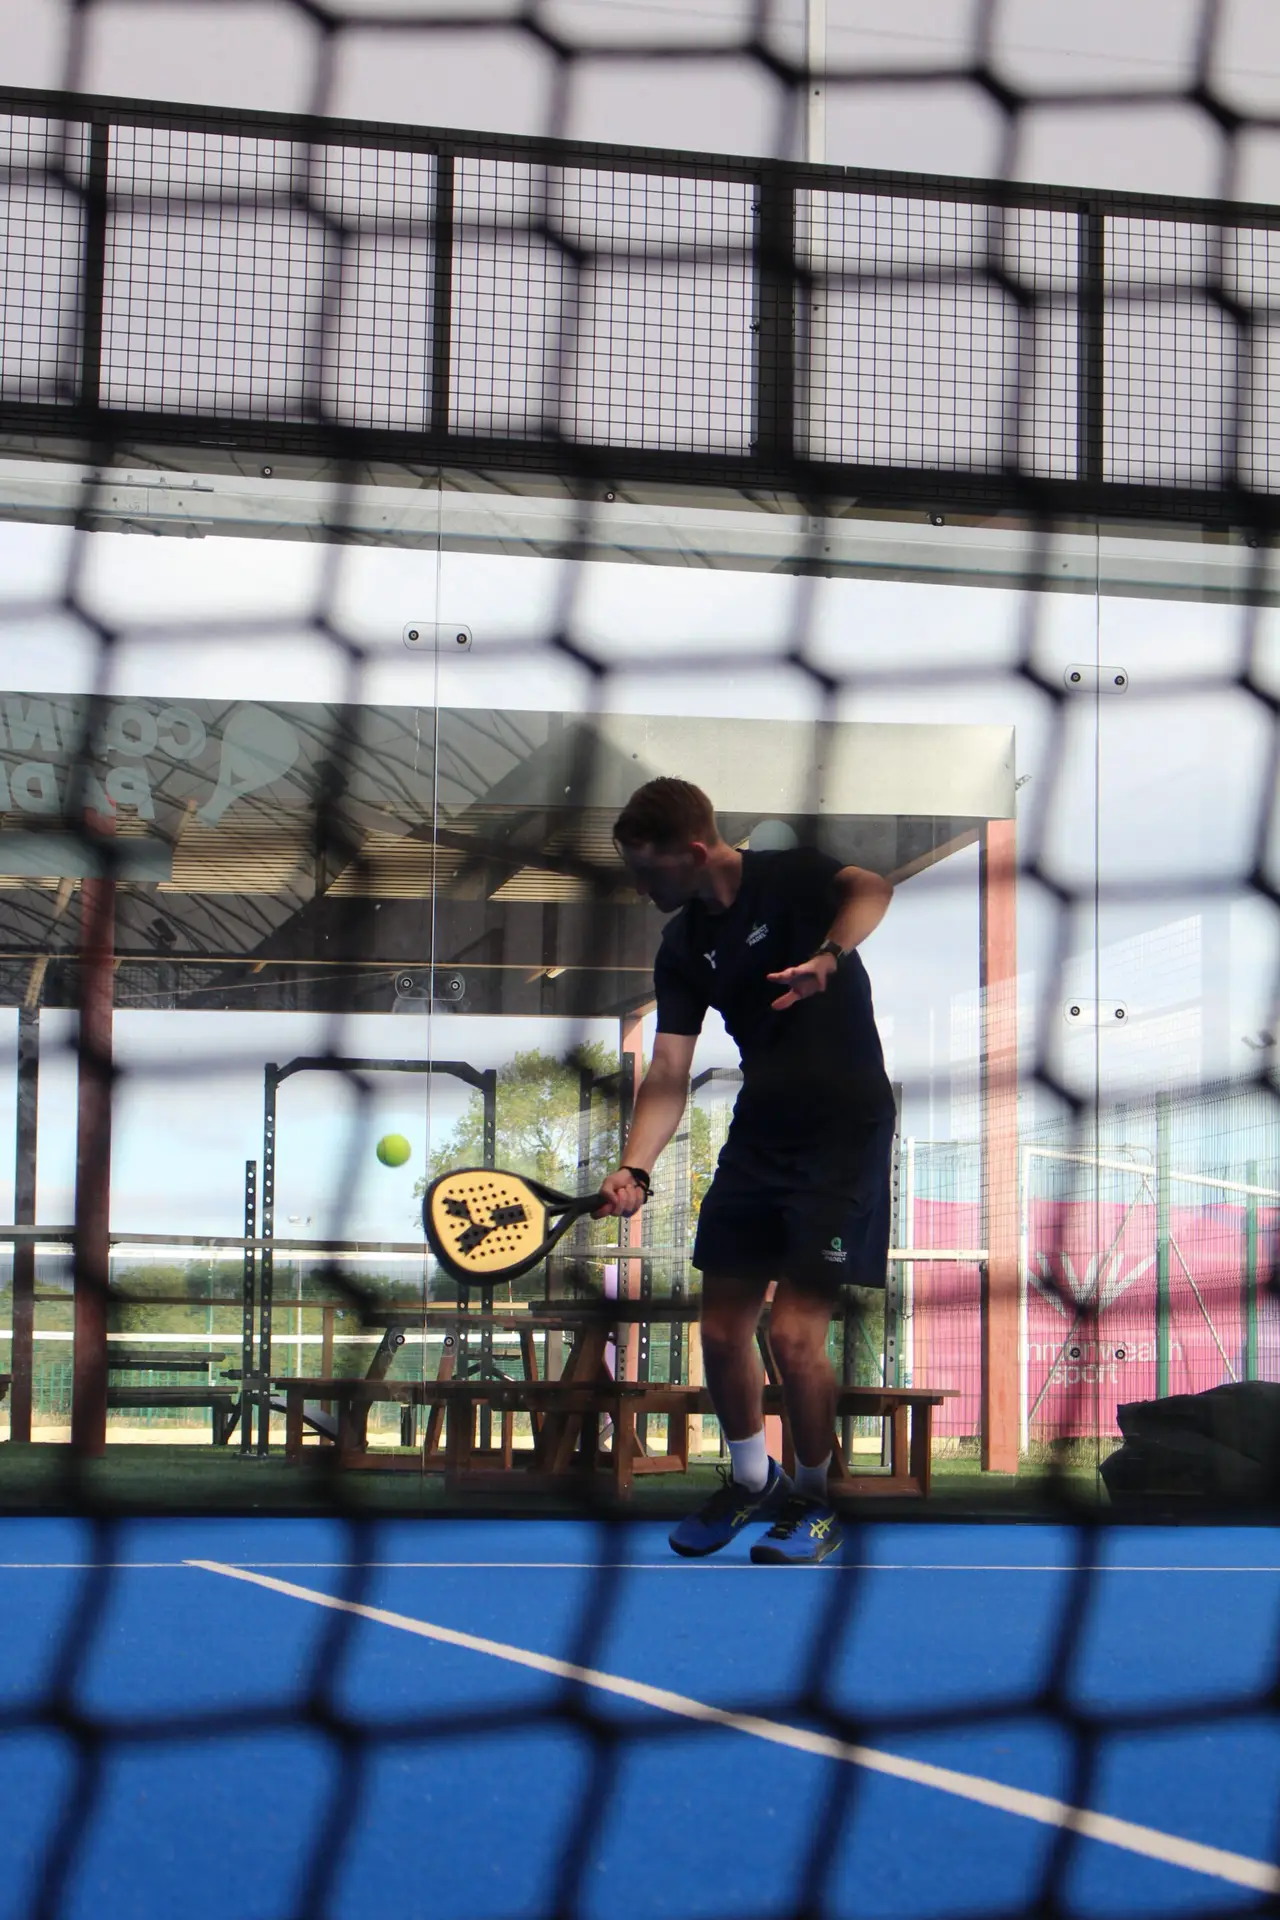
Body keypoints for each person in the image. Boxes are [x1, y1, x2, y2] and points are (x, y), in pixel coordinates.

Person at [597, 777, 895, 1565]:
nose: (640, 886)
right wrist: (635, 1166)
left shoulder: (786, 876)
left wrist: (831, 955)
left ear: (694, 852)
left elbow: (871, 887)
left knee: (795, 1335)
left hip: (843, 1129)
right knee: (723, 1329)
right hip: (761, 1131)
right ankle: (750, 1479)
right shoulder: (682, 946)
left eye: (647, 869)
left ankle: (814, 1497)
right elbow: (668, 1068)